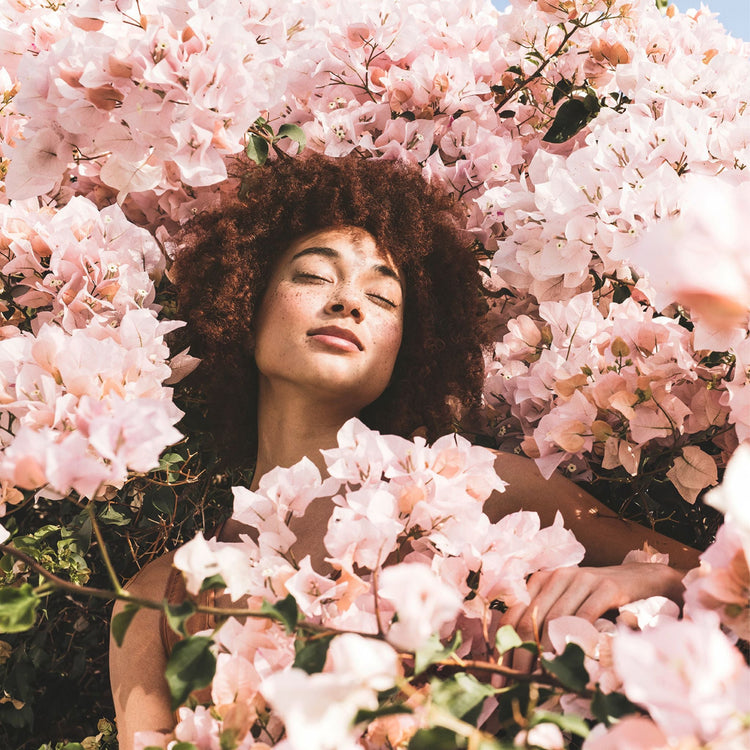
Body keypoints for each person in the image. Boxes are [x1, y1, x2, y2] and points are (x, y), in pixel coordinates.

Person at [109, 154, 698, 748]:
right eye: (314, 276)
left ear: (406, 348)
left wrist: (644, 583)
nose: (349, 302)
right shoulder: (155, 595)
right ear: (245, 304)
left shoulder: (476, 483)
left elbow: (717, 579)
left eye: (384, 299)